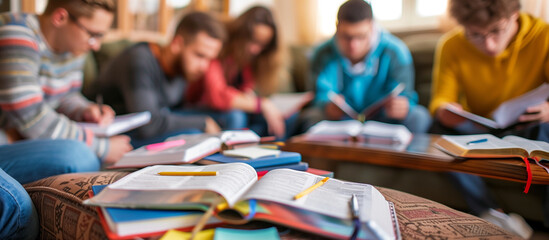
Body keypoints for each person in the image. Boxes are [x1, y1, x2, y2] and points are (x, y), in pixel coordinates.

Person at [0, 0, 129, 238]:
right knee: (79, 156)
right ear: (60, 18)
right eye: (93, 34)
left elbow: (65, 96)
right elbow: (31, 116)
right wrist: (102, 147)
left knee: (85, 157)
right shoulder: (16, 34)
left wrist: (85, 109)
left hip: (19, 137)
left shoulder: (72, 47)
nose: (96, 45)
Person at [428, 0, 549, 237]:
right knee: (437, 130)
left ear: (514, 15)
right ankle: (493, 212)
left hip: (530, 126)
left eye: (496, 30)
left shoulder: (544, 37)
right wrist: (445, 110)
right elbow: (441, 99)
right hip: (479, 129)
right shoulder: (451, 45)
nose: (489, 45)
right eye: (475, 34)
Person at [90, 12, 225, 147]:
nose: (204, 67)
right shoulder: (139, 60)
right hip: (121, 132)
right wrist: (203, 122)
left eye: (209, 59)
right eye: (200, 55)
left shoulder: (182, 69)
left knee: (231, 116)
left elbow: (175, 110)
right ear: (177, 44)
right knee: (193, 133)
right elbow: (148, 124)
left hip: (156, 119)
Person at [303, 0, 431, 134]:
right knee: (310, 118)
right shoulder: (321, 54)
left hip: (384, 119)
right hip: (340, 121)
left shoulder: (396, 51)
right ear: (337, 27)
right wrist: (326, 107)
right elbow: (318, 96)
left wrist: (403, 107)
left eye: (360, 36)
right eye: (346, 37)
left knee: (419, 117)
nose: (353, 45)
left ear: (372, 27)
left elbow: (406, 95)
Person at [185, 6, 288, 138]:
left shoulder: (249, 61)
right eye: (253, 41)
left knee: (278, 119)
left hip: (225, 110)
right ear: (241, 33)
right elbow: (217, 95)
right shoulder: (216, 48)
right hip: (197, 107)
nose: (255, 50)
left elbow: (244, 92)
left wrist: (249, 98)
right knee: (235, 116)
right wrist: (261, 104)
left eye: (263, 45)